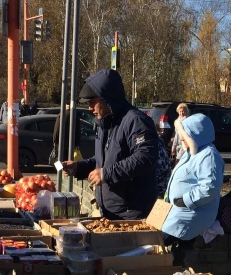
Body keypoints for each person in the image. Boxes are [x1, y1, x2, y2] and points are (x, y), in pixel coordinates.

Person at [61, 69, 159, 220]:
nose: (89, 108)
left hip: (132, 215)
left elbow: (145, 158)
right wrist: (79, 167)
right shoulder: (105, 123)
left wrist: (106, 174)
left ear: (107, 99)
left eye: (93, 103)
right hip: (110, 213)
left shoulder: (136, 121)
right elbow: (104, 161)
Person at [161, 113, 224, 243]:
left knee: (159, 241)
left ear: (196, 134)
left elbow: (209, 188)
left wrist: (185, 200)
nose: (182, 138)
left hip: (192, 213)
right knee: (152, 237)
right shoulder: (193, 151)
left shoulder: (209, 155)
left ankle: (177, 259)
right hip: (178, 210)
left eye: (185, 134)